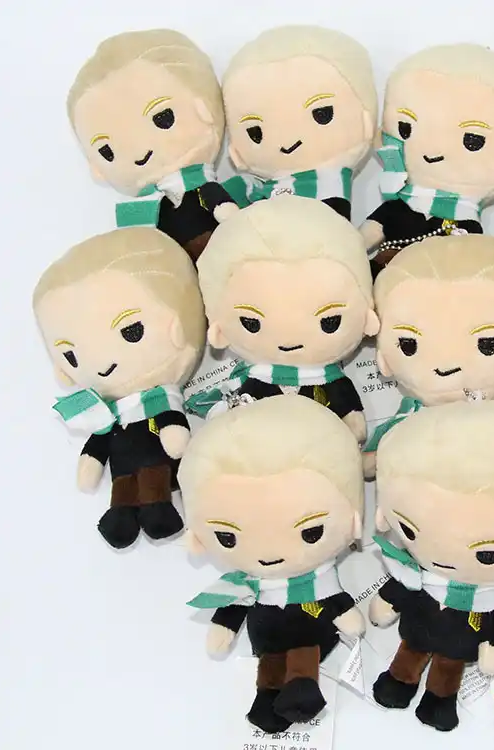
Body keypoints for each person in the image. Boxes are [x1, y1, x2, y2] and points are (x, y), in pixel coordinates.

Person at [370, 401, 494, 731]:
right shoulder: (416, 572)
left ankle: (440, 700)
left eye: (487, 554)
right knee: (410, 652)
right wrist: (388, 602)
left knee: (448, 667)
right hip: (417, 629)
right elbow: (403, 585)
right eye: (410, 531)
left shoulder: (486, 595)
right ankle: (399, 680)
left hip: (457, 644)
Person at [181, 396, 365, 733]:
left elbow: (336, 601)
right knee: (269, 665)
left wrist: (346, 615)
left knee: (302, 656)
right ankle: (265, 699)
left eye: (310, 532)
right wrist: (224, 627)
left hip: (312, 636)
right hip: (266, 640)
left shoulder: (319, 582)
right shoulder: (246, 584)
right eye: (227, 538)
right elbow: (234, 606)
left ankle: (303, 688)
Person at [33, 228, 205, 548]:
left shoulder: (158, 397)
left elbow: (171, 420)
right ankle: (121, 514)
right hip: (122, 467)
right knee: (122, 486)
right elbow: (100, 438)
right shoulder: (105, 412)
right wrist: (91, 461)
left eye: (131, 331)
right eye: (71, 355)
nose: (101, 362)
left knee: (152, 478)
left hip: (157, 461)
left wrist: (173, 431)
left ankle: (158, 508)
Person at [187, 196, 377, 440]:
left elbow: (350, 412)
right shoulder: (256, 381)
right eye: (251, 323)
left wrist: (353, 423)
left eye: (329, 322)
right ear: (219, 330)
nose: (289, 339)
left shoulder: (330, 381)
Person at [363, 233, 494, 475]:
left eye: (488, 343)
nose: (446, 364)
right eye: (408, 345)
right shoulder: (410, 416)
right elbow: (372, 460)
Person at [360, 43, 494, 275]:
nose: (432, 149)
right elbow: (359, 242)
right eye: (406, 128)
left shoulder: (465, 225)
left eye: (472, 140)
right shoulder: (395, 207)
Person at [67, 29, 239, 262]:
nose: (139, 152)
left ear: (204, 109)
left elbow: (229, 214)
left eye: (163, 118)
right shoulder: (140, 211)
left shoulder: (207, 189)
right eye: (107, 151)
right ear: (96, 167)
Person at [221, 25, 377, 221]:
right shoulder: (254, 185)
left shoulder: (329, 182)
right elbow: (216, 199)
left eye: (322, 114)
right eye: (255, 132)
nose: (286, 140)